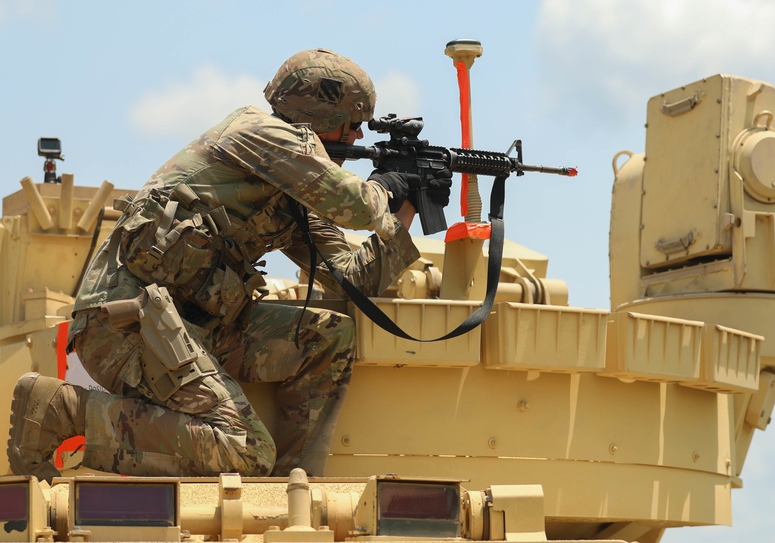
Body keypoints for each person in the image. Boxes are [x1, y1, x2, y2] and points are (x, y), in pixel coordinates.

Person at [7, 48, 446, 480]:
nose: (356, 139)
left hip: (194, 328)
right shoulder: (258, 134)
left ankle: (293, 492)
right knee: (245, 449)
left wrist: (406, 204)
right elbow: (354, 205)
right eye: (352, 125)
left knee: (328, 336)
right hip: (125, 324)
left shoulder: (293, 190)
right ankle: (65, 410)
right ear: (318, 113)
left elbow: (354, 278)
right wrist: (388, 184)